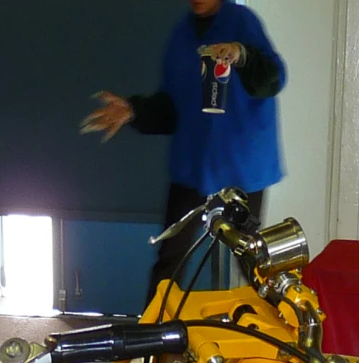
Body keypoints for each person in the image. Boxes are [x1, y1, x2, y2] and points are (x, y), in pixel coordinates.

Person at [81, 0, 285, 295]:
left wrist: (241, 54)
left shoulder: (241, 21)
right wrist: (134, 110)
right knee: (169, 262)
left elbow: (272, 79)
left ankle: (284, 331)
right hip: (194, 167)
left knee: (250, 260)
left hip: (239, 167)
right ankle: (155, 337)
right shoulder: (182, 34)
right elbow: (173, 108)